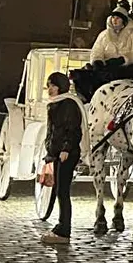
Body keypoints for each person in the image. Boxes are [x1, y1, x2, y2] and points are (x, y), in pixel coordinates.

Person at [41, 72, 83, 245]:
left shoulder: (68, 104)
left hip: (67, 154)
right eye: (49, 85)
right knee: (59, 190)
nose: (50, 89)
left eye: (53, 85)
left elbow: (72, 128)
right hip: (58, 153)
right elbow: (52, 131)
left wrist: (66, 148)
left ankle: (64, 229)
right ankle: (61, 225)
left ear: (61, 87)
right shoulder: (55, 104)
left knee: (63, 191)